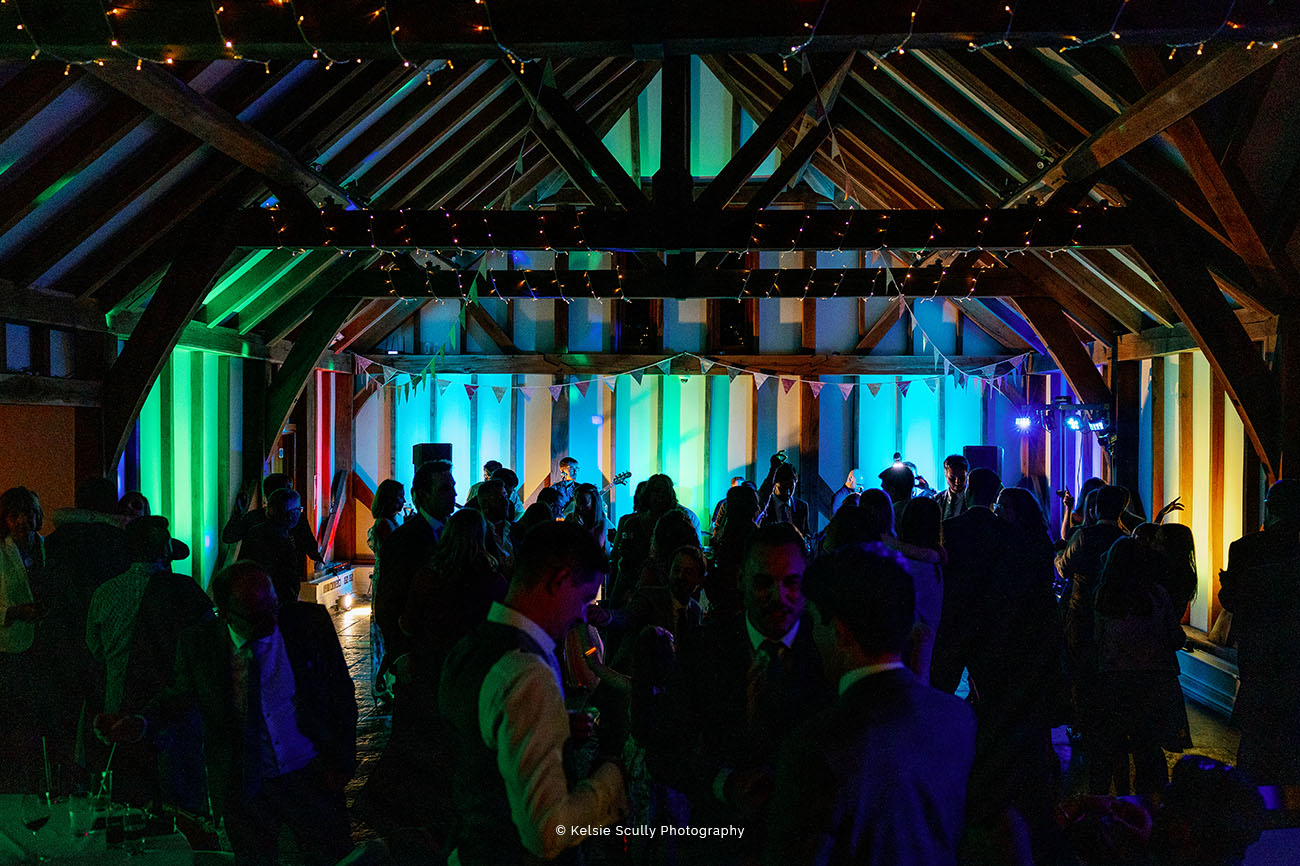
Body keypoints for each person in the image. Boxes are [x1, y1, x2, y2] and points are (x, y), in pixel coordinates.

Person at [97, 561, 357, 866]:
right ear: (225, 613)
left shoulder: (308, 624)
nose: (270, 620)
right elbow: (180, 697)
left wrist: (342, 761)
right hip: (244, 785)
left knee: (332, 857)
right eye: (255, 616)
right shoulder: (200, 644)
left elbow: (341, 693)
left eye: (272, 605)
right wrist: (140, 723)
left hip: (311, 773)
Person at [763, 546, 975, 866]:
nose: (813, 637)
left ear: (841, 631)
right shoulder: (957, 718)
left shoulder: (815, 746)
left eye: (815, 622)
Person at [438, 521, 625, 864]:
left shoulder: (470, 647)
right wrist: (613, 777)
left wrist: (556, 723)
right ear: (558, 581)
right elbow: (548, 832)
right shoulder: (526, 672)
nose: (582, 615)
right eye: (584, 598)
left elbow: (480, 743)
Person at [653, 522, 833, 862]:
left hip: (808, 844)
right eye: (764, 582)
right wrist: (724, 783)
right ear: (740, 581)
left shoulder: (830, 651)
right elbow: (665, 746)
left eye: (791, 582)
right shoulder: (703, 648)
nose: (779, 597)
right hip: (719, 840)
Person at [86, 516, 211, 809]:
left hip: (118, 704)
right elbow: (208, 646)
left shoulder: (104, 592)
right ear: (167, 550)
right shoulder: (186, 590)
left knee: (129, 800)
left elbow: (95, 650)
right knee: (181, 802)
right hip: (175, 709)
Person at [41, 477, 130, 784]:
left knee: (63, 710)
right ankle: (96, 776)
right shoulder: (118, 540)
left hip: (60, 636)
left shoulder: (54, 540)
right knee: (98, 708)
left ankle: (61, 776)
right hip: (103, 638)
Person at [1092, 538, 1189, 796]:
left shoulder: (1104, 595)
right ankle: (1152, 804)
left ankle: (1114, 799)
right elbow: (1176, 638)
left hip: (1115, 680)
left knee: (1113, 744)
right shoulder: (1157, 594)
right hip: (1154, 680)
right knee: (1148, 748)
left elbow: (1097, 639)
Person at [1218, 477, 1300, 784]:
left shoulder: (1245, 548)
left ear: (1270, 508)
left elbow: (1232, 601)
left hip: (1259, 649)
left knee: (1256, 732)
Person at [373, 459, 455, 674]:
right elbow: (388, 602)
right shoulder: (404, 539)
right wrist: (400, 654)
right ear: (424, 494)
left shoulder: (452, 532)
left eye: (453, 487)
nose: (454, 494)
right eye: (446, 489)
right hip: (418, 651)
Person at [931, 467, 1008, 693]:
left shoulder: (949, 529)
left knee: (944, 685)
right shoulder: (1004, 531)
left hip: (955, 613)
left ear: (969, 489)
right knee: (987, 689)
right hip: (992, 616)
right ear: (995, 495)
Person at [0, 486, 47, 791]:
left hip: (46, 645)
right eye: (14, 515)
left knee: (39, 717)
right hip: (10, 647)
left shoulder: (46, 547)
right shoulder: (1, 552)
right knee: (14, 717)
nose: (22, 521)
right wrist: (15, 611)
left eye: (28, 513)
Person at [223, 473, 323, 568]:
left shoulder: (254, 517)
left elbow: (229, 536)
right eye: (289, 488)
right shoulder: (296, 518)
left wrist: (238, 514)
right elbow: (310, 547)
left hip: (256, 577)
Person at [240, 488, 309, 605]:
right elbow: (286, 578)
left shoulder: (255, 531)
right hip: (274, 602)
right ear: (290, 514)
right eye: (299, 509)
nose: (299, 514)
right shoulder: (282, 538)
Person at [758, 461, 811, 540]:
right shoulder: (765, 506)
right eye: (783, 487)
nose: (788, 492)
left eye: (791, 487)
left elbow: (806, 532)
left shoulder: (802, 506)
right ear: (775, 484)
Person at [878, 460, 916, 528]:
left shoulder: (890, 515)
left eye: (884, 489)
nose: (882, 492)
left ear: (892, 491)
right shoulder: (915, 511)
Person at [934, 453, 970, 521]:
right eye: (952, 478)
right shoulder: (937, 499)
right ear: (945, 474)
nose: (957, 482)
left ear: (967, 475)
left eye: (962, 478)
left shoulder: (973, 501)